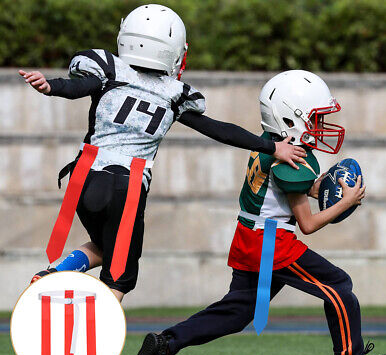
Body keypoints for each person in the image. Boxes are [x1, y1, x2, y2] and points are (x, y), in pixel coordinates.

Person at [21, 4, 305, 305]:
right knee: (119, 278)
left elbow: (80, 86)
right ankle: (93, 345)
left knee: (105, 248)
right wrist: (274, 147)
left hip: (84, 178)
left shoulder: (109, 69)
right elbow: (219, 129)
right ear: (172, 51)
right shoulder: (173, 93)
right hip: (125, 187)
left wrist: (51, 86)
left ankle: (57, 272)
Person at [134, 70, 386, 355]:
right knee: (338, 287)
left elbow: (293, 189)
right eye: (316, 118)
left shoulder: (269, 143)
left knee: (236, 312)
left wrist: (325, 187)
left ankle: (166, 343)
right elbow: (306, 224)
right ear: (291, 117)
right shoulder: (291, 158)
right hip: (271, 243)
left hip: (250, 235)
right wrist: (344, 203)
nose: (321, 126)